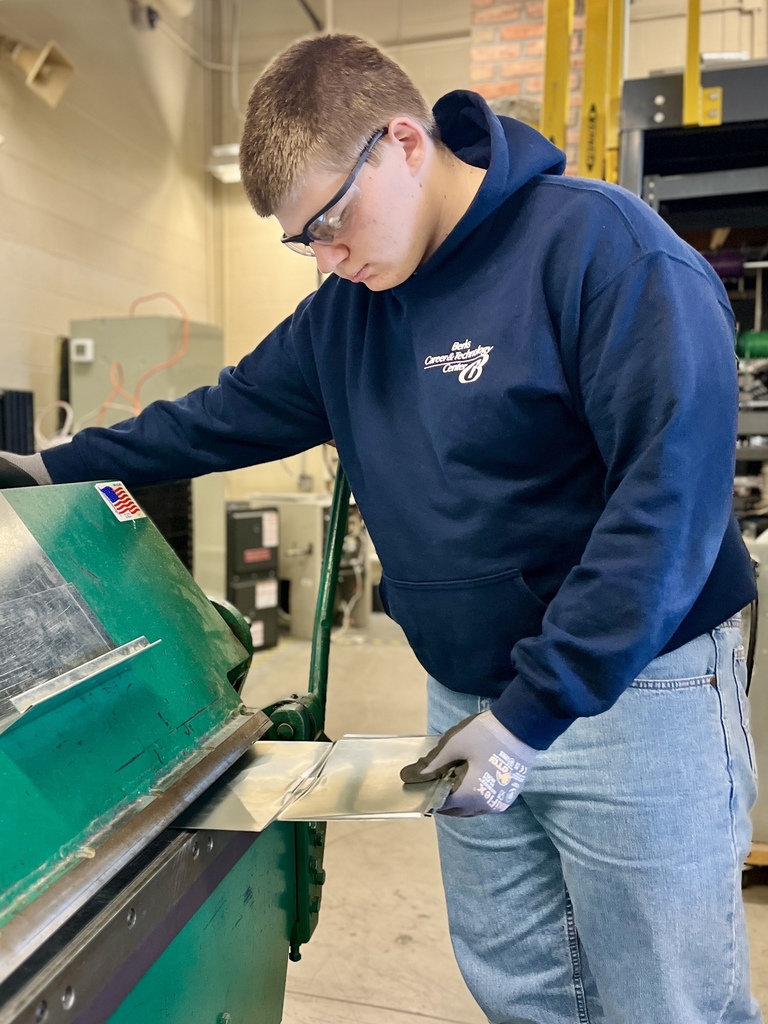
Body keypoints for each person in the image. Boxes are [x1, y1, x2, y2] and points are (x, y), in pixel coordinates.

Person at [0, 33, 761, 1024]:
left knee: (669, 1000)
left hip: (634, 692)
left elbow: (669, 508)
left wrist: (533, 713)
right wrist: (45, 469)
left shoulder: (602, 255)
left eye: (331, 220)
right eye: (299, 240)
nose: (327, 255)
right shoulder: (347, 314)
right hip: (467, 696)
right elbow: (215, 418)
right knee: (525, 988)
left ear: (404, 142)